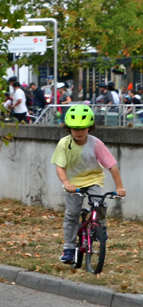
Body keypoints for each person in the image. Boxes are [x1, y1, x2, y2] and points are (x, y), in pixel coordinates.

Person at [51, 104, 126, 265]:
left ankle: (101, 227)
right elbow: (60, 167)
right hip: (73, 183)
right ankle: (69, 248)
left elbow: (111, 165)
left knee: (100, 203)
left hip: (93, 179)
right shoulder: (64, 144)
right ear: (69, 128)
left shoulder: (95, 143)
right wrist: (66, 183)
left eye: (83, 128)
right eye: (75, 128)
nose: (79, 132)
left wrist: (119, 187)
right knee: (72, 214)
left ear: (90, 128)